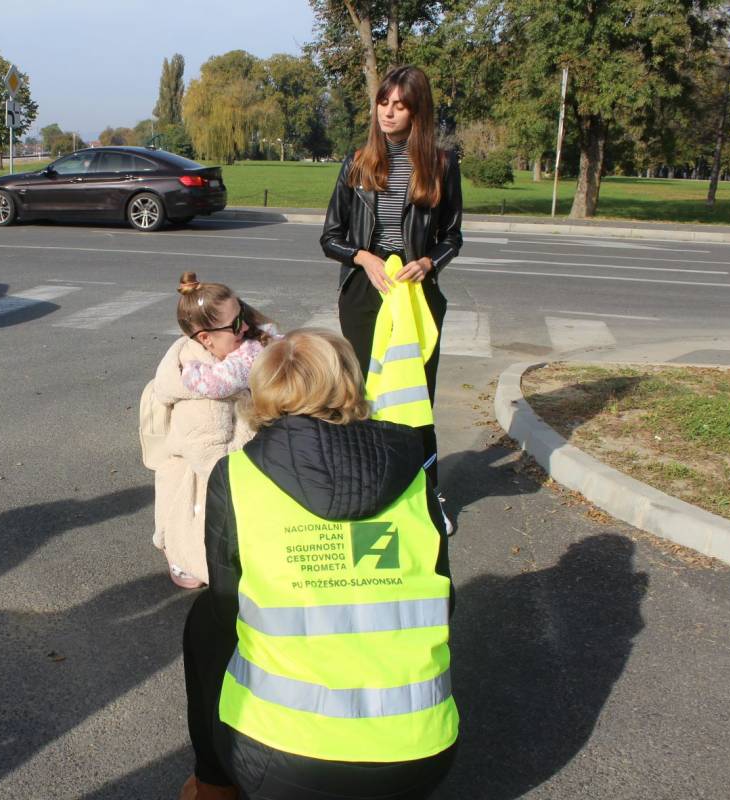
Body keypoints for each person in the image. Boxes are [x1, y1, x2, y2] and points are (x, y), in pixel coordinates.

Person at [180, 329, 458, 800]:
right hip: (422, 757)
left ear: (264, 391)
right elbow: (444, 600)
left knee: (207, 621)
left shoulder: (237, 475)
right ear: (351, 383)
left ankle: (214, 785)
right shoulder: (414, 472)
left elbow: (229, 605)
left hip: (279, 761)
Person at [320, 65, 462, 528]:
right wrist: (363, 257)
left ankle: (427, 495)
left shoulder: (442, 164)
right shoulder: (357, 162)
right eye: (384, 102)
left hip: (417, 296)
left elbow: (453, 236)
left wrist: (429, 262)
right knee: (366, 396)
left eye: (400, 106)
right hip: (365, 293)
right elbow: (330, 237)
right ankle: (368, 490)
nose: (388, 112)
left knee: (415, 399)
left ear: (417, 112)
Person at [140, 272, 276, 589]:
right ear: (205, 339)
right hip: (198, 491)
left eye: (243, 314)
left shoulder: (233, 360)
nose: (245, 327)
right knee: (209, 567)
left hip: (220, 474)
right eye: (235, 324)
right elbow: (215, 466)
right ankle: (180, 552)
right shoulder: (203, 396)